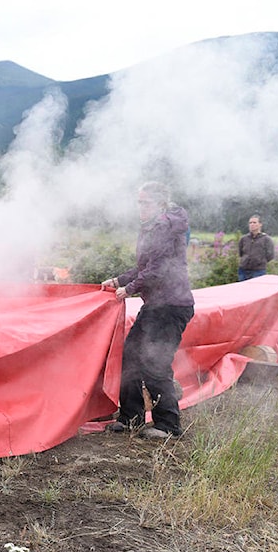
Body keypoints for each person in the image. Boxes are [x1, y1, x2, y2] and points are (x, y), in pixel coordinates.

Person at [101, 181, 195, 439]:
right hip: (155, 304)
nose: (141, 207)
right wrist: (119, 281)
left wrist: (129, 288)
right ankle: (131, 417)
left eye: (146, 203)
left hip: (171, 306)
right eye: (139, 202)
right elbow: (145, 267)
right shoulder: (152, 226)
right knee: (131, 355)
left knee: (155, 364)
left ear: (161, 204)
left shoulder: (164, 227)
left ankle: (168, 425)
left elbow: (159, 270)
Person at [237, 214, 274, 281]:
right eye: (250, 223)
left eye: (254, 222)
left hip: (258, 271)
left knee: (257, 290)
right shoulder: (244, 239)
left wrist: (260, 261)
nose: (252, 224)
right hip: (243, 270)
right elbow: (240, 253)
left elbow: (270, 255)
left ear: (260, 224)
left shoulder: (266, 239)